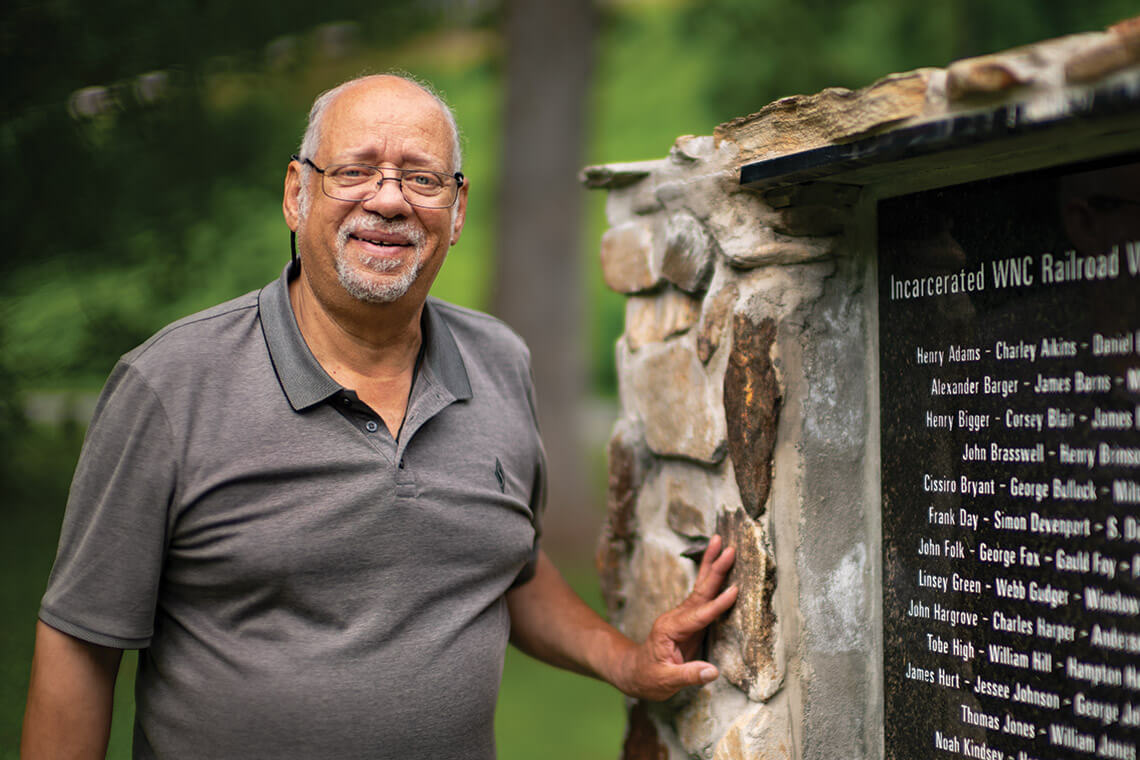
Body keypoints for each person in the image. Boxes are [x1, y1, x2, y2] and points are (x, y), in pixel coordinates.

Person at [21, 73, 737, 760]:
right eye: (355, 171)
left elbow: (506, 564)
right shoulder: (171, 386)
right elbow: (82, 641)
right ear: (297, 194)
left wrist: (628, 660)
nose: (390, 201)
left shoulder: (499, 362)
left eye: (421, 178)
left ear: (456, 212)